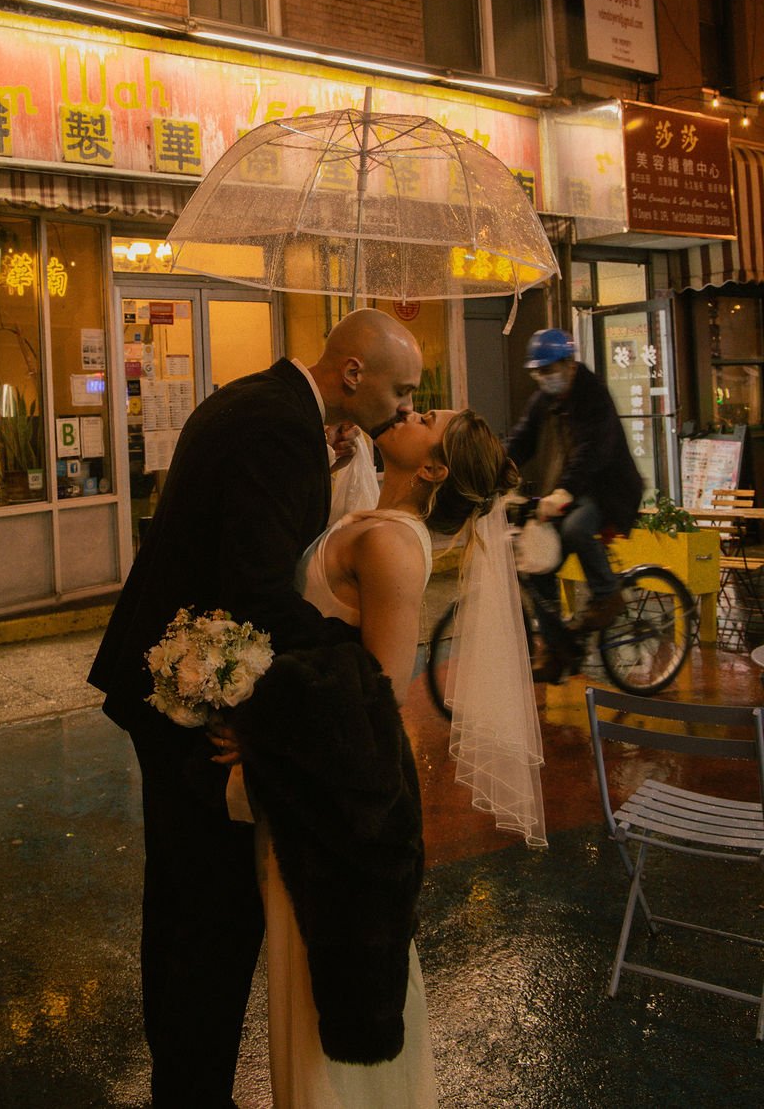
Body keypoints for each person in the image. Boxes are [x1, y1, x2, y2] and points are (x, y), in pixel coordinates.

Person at [86, 307, 422, 1108]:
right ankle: (192, 1089)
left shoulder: (261, 404)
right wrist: (355, 669)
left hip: (169, 675)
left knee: (185, 903)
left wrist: (326, 456)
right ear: (352, 374)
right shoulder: (279, 429)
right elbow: (256, 586)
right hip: (186, 695)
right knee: (208, 913)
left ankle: (188, 1080)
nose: (406, 407)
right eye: (401, 390)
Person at [223, 408, 543, 1107]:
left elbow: (378, 690)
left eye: (431, 418)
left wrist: (260, 728)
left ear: (432, 469)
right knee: (304, 970)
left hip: (332, 801)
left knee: (322, 976)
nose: (414, 408)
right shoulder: (370, 513)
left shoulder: (394, 546)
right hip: (310, 781)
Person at [506, 328, 644, 684]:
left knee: (577, 528)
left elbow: (593, 451)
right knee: (538, 563)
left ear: (569, 363)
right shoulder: (544, 400)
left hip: (607, 491)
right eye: (539, 371)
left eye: (550, 369)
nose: (544, 377)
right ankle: (558, 650)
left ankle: (607, 595)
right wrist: (493, 470)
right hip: (571, 489)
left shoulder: (592, 393)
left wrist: (562, 492)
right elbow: (521, 440)